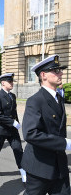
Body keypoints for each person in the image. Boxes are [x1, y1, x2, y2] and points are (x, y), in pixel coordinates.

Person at [22, 55, 71, 195]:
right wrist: (65, 144)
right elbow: (30, 133)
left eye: (60, 70)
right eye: (56, 71)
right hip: (40, 167)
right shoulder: (35, 100)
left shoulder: (59, 98)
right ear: (43, 75)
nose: (61, 73)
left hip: (60, 165)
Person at [0, 73, 26, 183]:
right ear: (3, 83)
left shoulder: (12, 96)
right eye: (10, 82)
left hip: (12, 130)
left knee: (18, 149)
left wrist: (16, 121)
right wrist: (12, 122)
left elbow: (14, 112)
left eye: (12, 81)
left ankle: (23, 171)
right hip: (0, 129)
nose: (12, 83)